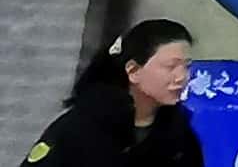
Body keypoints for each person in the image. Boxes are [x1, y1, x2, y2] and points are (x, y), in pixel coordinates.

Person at [20, 20, 198, 166]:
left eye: (186, 66)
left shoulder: (179, 136)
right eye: (171, 67)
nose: (182, 77)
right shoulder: (80, 127)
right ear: (133, 71)